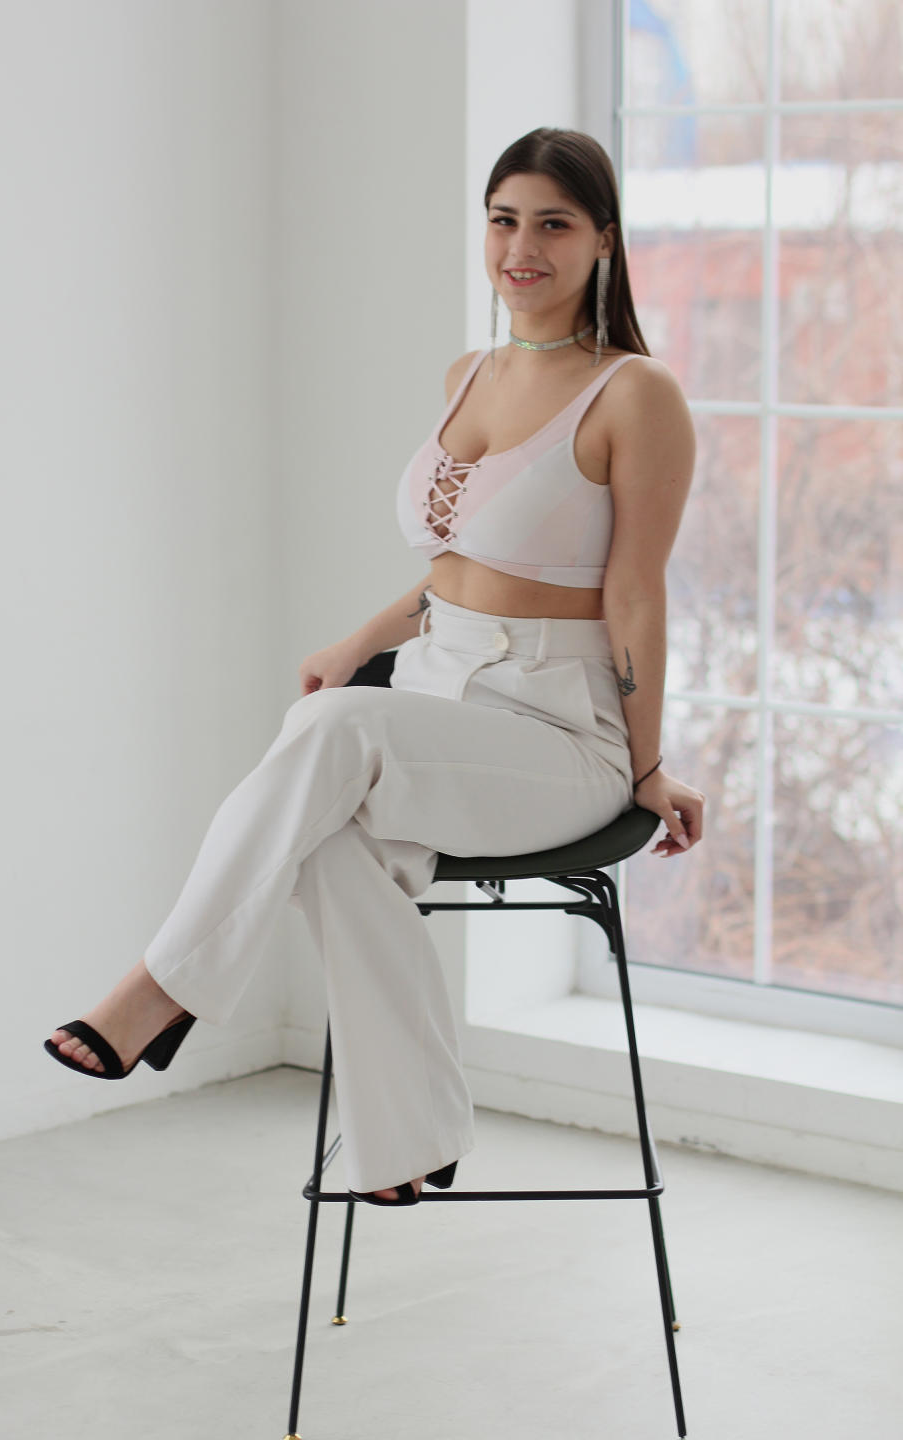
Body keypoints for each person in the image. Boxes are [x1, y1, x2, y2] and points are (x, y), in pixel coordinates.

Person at [44, 126, 704, 1206]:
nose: (521, 248)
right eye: (503, 221)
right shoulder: (468, 375)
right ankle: (410, 1137)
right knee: (330, 836)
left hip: (559, 734)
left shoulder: (636, 394)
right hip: (438, 701)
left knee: (333, 730)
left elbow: (636, 594)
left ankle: (161, 989)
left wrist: (646, 767)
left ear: (603, 241)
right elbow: (459, 573)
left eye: (552, 224)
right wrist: (360, 642)